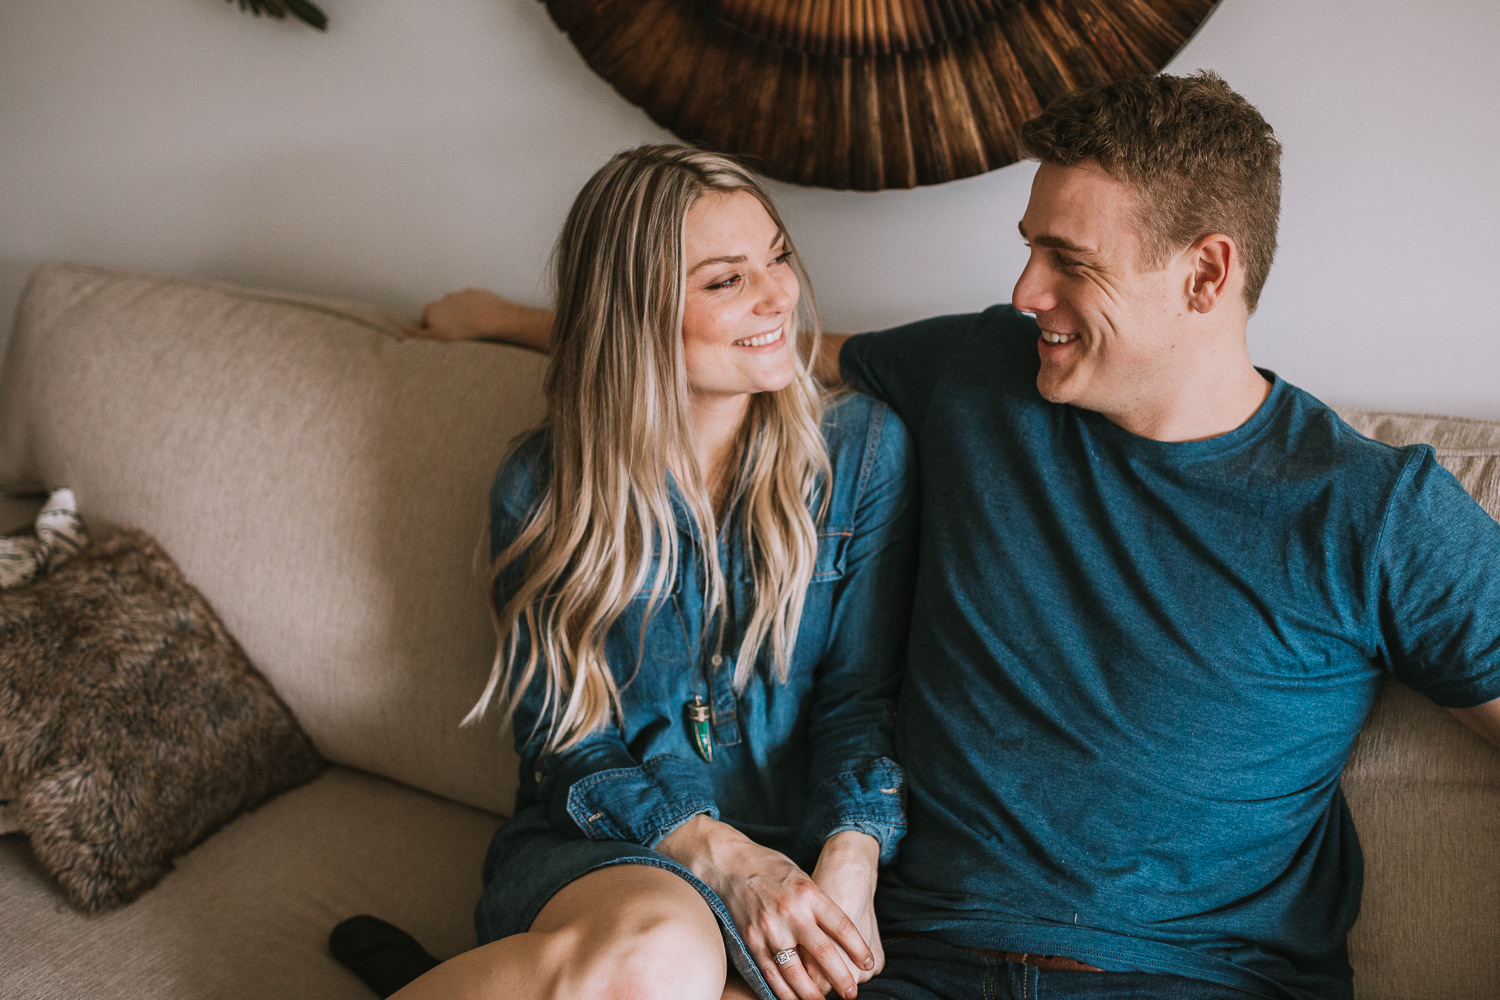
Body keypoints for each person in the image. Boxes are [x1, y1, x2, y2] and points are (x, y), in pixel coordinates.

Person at [407, 72, 1500, 1000]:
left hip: (1185, 975)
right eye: (1029, 248)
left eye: (1069, 260)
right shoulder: (982, 373)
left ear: (1207, 273)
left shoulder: (1376, 511)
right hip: (904, 960)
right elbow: (718, 346)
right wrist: (508, 321)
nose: (1026, 291)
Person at [334, 145, 917, 1000]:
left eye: (779, 256)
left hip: (793, 859)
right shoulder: (545, 489)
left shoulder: (860, 453)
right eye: (726, 281)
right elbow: (566, 738)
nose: (779, 296)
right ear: (636, 313)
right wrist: (721, 855)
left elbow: (863, 698)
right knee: (659, 955)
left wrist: (850, 860)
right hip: (614, 849)